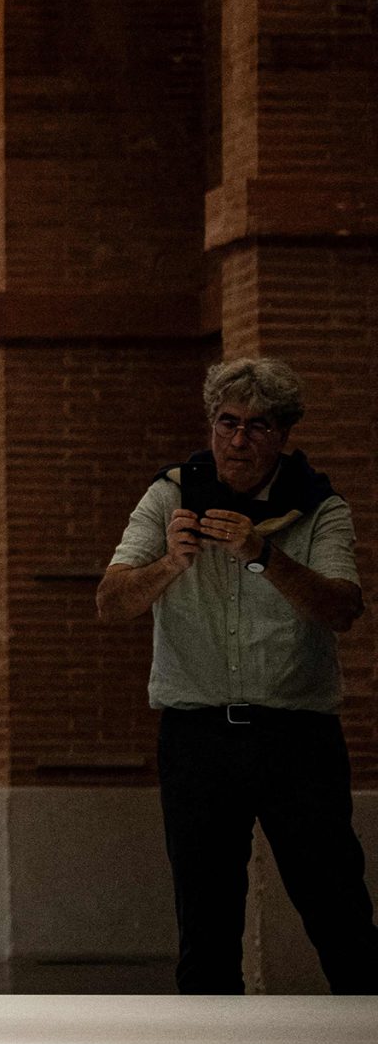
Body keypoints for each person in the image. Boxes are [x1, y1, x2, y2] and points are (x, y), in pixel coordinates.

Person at [96, 358, 375, 994]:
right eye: (227, 423)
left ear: (283, 435)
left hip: (296, 737)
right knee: (205, 922)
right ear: (211, 425)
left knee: (337, 909)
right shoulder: (170, 493)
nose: (238, 440)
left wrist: (262, 555)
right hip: (197, 737)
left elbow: (343, 608)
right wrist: (170, 564)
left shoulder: (319, 506)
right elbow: (110, 602)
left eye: (257, 427)